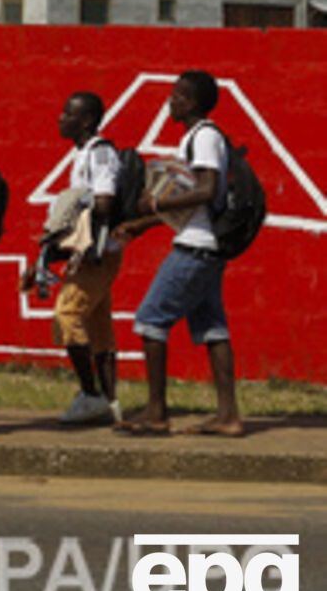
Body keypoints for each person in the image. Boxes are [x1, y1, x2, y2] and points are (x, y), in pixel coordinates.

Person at [112, 70, 243, 437]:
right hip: (205, 245)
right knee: (213, 328)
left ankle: (156, 412)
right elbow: (194, 207)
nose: (171, 101)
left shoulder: (203, 138)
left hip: (195, 250)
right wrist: (146, 223)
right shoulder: (199, 138)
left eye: (178, 96)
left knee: (151, 320)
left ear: (194, 103)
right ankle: (228, 416)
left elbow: (205, 190)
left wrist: (156, 201)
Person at [22, 92, 123, 425]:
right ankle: (110, 404)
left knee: (67, 315)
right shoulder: (82, 155)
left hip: (98, 254)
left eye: (68, 113)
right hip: (89, 253)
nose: (60, 118)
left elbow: (105, 202)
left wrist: (74, 204)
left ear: (87, 121)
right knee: (98, 327)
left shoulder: (101, 153)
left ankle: (90, 395)